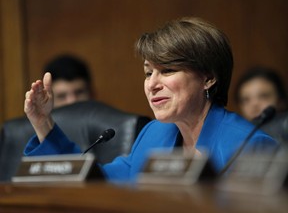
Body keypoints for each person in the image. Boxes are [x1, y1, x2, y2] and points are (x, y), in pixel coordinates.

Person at [23, 17, 277, 183]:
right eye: (148, 72)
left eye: (167, 70)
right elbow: (98, 183)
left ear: (208, 78)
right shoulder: (154, 134)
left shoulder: (251, 146)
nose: (152, 84)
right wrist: (44, 123)